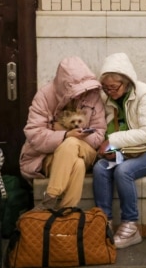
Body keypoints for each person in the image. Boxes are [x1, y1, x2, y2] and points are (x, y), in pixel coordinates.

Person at [93, 53, 146, 248]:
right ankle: (104, 223)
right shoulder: (107, 98)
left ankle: (131, 225)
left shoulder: (144, 94)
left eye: (114, 87)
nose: (110, 92)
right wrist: (108, 147)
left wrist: (113, 141)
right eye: (106, 87)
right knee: (101, 168)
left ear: (126, 82)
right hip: (127, 151)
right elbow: (106, 127)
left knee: (123, 170)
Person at [20, 56, 106, 210]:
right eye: (76, 91)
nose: (80, 95)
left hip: (86, 150)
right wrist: (65, 135)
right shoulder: (45, 96)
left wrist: (79, 136)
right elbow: (34, 133)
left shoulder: (92, 95)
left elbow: (100, 134)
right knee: (77, 165)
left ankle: (51, 196)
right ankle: (67, 212)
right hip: (49, 155)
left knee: (72, 143)